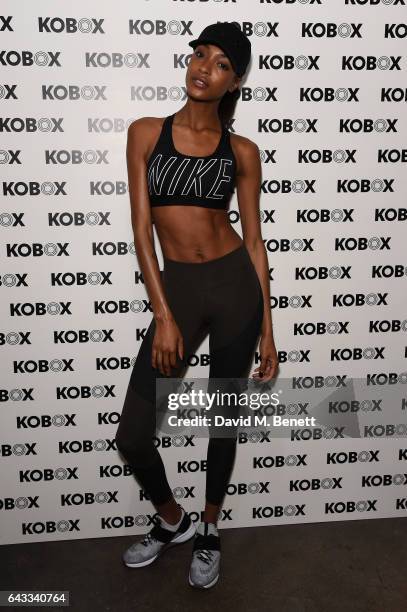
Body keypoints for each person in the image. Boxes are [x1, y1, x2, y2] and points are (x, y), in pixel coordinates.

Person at [115, 21, 278, 589]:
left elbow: (254, 241)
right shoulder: (145, 132)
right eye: (199, 54)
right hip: (178, 290)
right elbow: (142, 231)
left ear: (235, 82)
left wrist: (269, 332)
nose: (204, 67)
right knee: (134, 434)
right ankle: (173, 520)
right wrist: (163, 314)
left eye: (222, 64)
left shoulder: (242, 150)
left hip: (236, 288)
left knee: (223, 420)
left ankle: (209, 527)